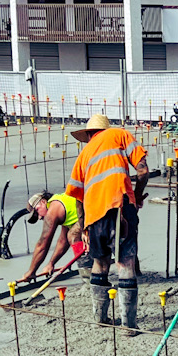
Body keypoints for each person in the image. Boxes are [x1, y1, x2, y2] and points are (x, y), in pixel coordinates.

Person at [64, 113, 149, 333]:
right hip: (119, 204)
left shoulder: (83, 155)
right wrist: (137, 196)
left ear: (90, 134)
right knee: (125, 261)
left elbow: (78, 197)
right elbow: (142, 170)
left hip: (94, 214)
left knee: (100, 263)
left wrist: (84, 226)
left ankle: (100, 319)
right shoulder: (120, 134)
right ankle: (128, 326)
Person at [18, 189, 86, 284]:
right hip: (89, 214)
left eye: (37, 211)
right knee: (70, 234)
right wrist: (51, 263)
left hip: (93, 214)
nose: (39, 217)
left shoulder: (53, 209)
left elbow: (42, 245)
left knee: (73, 235)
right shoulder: (62, 205)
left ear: (43, 201)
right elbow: (63, 241)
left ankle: (87, 272)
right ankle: (89, 268)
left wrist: (31, 271)